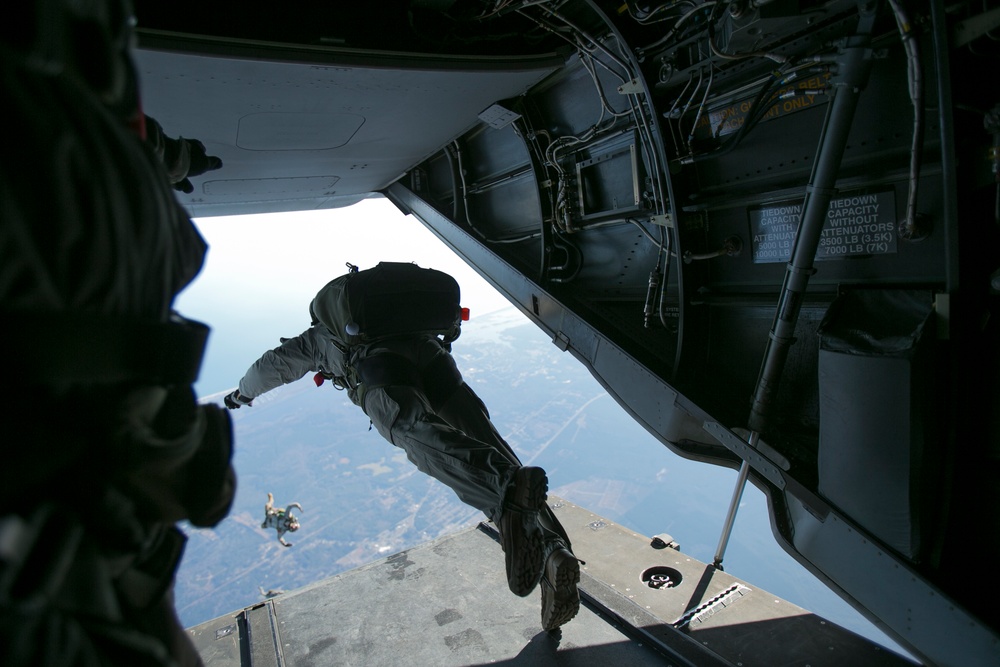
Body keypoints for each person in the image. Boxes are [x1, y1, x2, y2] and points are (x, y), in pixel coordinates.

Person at [1, 2, 232, 665]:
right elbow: (129, 125)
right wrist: (183, 159)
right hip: (108, 257)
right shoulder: (70, 48)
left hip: (82, 293)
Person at [226, 263, 582, 631]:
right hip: (435, 361)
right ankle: (554, 555)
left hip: (381, 367)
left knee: (412, 430)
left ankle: (504, 490)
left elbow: (270, 367)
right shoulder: (398, 317)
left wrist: (240, 395)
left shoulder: (318, 339)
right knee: (484, 441)